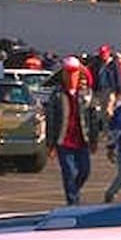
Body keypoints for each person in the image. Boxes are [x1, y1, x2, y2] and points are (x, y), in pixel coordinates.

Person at [45, 57, 103, 205]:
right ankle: (72, 202)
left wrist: (94, 140)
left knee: (85, 171)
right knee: (69, 173)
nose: (71, 77)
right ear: (63, 75)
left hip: (82, 140)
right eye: (68, 73)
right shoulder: (57, 95)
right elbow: (51, 121)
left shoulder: (86, 93)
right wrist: (50, 145)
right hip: (63, 141)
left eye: (74, 73)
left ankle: (73, 191)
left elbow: (93, 119)